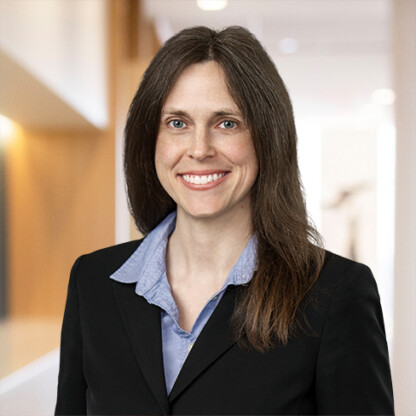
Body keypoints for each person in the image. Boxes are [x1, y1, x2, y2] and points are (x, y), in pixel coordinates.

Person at [55, 26, 394, 415]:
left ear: (267, 138)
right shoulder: (93, 281)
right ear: (151, 139)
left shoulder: (335, 294)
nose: (199, 149)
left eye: (226, 122)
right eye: (177, 123)